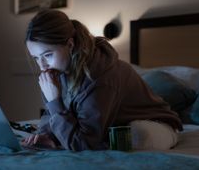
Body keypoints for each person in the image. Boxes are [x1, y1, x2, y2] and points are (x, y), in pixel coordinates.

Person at [21, 9, 182, 151]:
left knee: (137, 134)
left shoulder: (100, 77)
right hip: (109, 125)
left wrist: (55, 101)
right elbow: (51, 115)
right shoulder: (58, 71)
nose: (42, 66)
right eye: (36, 58)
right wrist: (44, 135)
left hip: (158, 126)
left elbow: (83, 143)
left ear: (70, 45)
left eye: (48, 55)